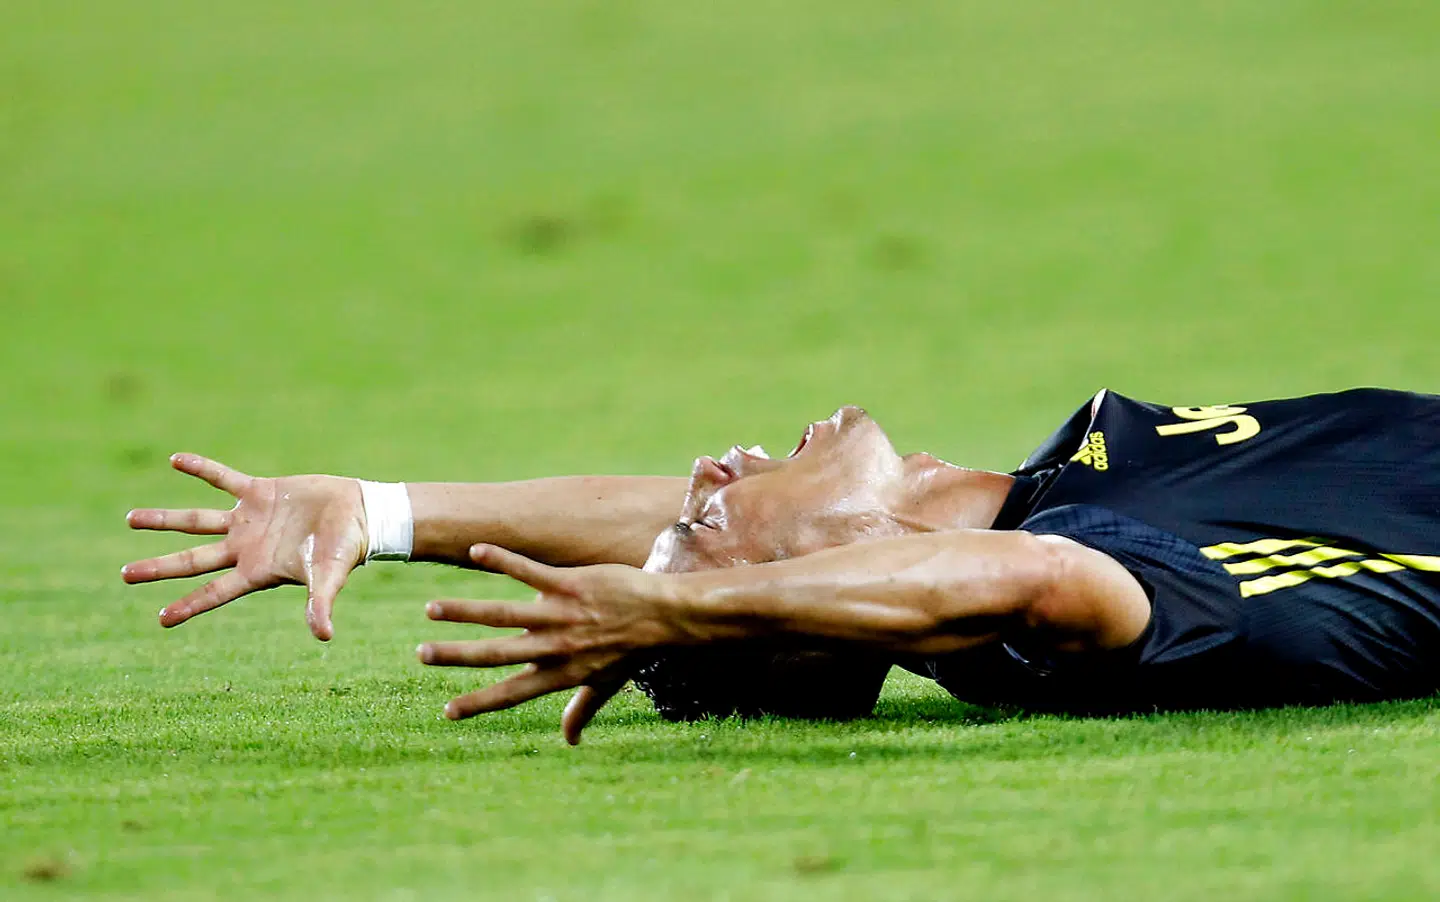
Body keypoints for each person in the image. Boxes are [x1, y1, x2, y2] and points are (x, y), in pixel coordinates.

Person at [122, 388, 1440, 744]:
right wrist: (684, 598)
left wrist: (381, 507)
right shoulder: (1052, 605)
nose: (708, 471)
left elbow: (725, 528)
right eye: (709, 521)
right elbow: (1014, 581)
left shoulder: (1028, 495)